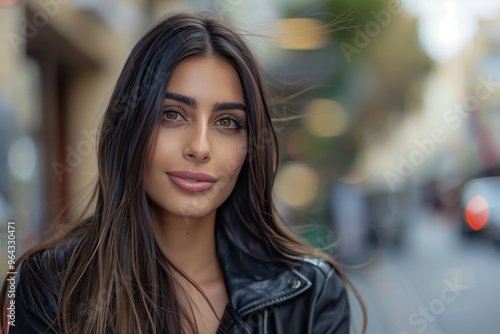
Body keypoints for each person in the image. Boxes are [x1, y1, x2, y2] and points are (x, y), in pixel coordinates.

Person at [1, 12, 366, 334]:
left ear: (249, 146)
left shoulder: (310, 294)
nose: (200, 147)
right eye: (172, 114)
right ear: (130, 127)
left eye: (227, 122)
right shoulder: (46, 286)